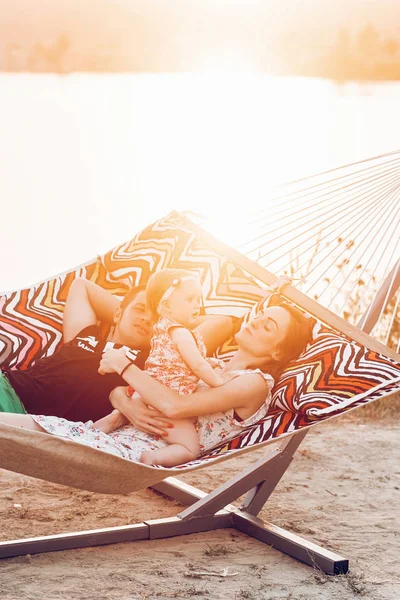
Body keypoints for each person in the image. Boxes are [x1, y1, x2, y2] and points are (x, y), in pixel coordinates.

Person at [0, 301, 312, 466]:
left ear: (277, 351)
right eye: (259, 315)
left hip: (131, 451)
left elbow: (175, 405)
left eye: (268, 325)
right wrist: (125, 402)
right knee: (24, 427)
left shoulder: (255, 384)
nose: (255, 321)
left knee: (26, 431)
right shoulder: (211, 367)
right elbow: (130, 391)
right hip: (109, 432)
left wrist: (122, 365)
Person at [0, 278, 233, 422]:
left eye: (154, 317)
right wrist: (136, 308)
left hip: (32, 424)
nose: (145, 319)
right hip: (9, 389)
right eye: (140, 309)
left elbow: (224, 322)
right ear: (119, 313)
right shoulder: (86, 334)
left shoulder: (153, 362)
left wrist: (171, 319)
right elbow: (82, 286)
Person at [93, 268, 230, 467]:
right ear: (166, 305)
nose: (197, 306)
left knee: (117, 418)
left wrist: (208, 362)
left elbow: (181, 361)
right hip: (164, 397)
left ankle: (99, 428)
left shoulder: (163, 330)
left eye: (199, 300)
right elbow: (197, 365)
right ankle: (153, 458)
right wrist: (218, 380)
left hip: (143, 391)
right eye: (190, 299)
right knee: (190, 447)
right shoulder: (181, 333)